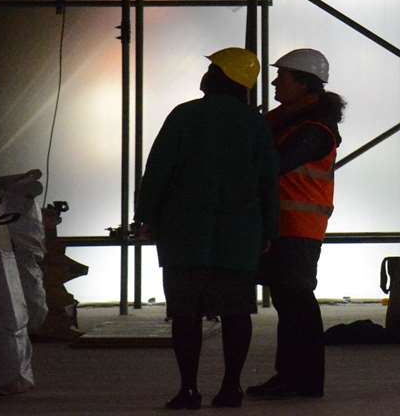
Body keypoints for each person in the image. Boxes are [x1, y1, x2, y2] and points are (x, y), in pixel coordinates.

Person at [136, 47, 279, 410]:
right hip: (239, 236)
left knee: (185, 316)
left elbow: (157, 173)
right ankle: (231, 388)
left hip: (184, 235)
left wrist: (147, 218)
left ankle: (188, 389)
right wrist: (269, 231)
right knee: (235, 313)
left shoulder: (184, 116)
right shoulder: (255, 124)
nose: (207, 72)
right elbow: (268, 183)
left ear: (221, 77)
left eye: (213, 68)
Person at [248, 48, 346, 401]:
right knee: (290, 305)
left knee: (296, 305)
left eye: (283, 77)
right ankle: (291, 377)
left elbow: (274, 164)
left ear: (304, 84)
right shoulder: (287, 121)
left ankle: (301, 380)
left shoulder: (315, 130)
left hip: (299, 228)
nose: (275, 81)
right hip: (283, 226)